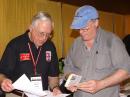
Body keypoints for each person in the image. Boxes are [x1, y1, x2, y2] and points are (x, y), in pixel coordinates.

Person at [64, 5, 130, 97]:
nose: (81, 32)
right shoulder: (76, 43)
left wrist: (100, 84)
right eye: (78, 29)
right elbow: (68, 66)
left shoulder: (112, 41)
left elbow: (126, 71)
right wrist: (70, 80)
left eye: (85, 28)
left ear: (96, 22)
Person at [0, 11, 61, 96]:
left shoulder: (50, 46)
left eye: (48, 35)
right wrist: (3, 80)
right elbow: (2, 73)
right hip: (18, 95)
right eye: (41, 33)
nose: (44, 38)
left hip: (42, 94)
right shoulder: (15, 44)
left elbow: (53, 75)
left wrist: (55, 88)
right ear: (31, 28)